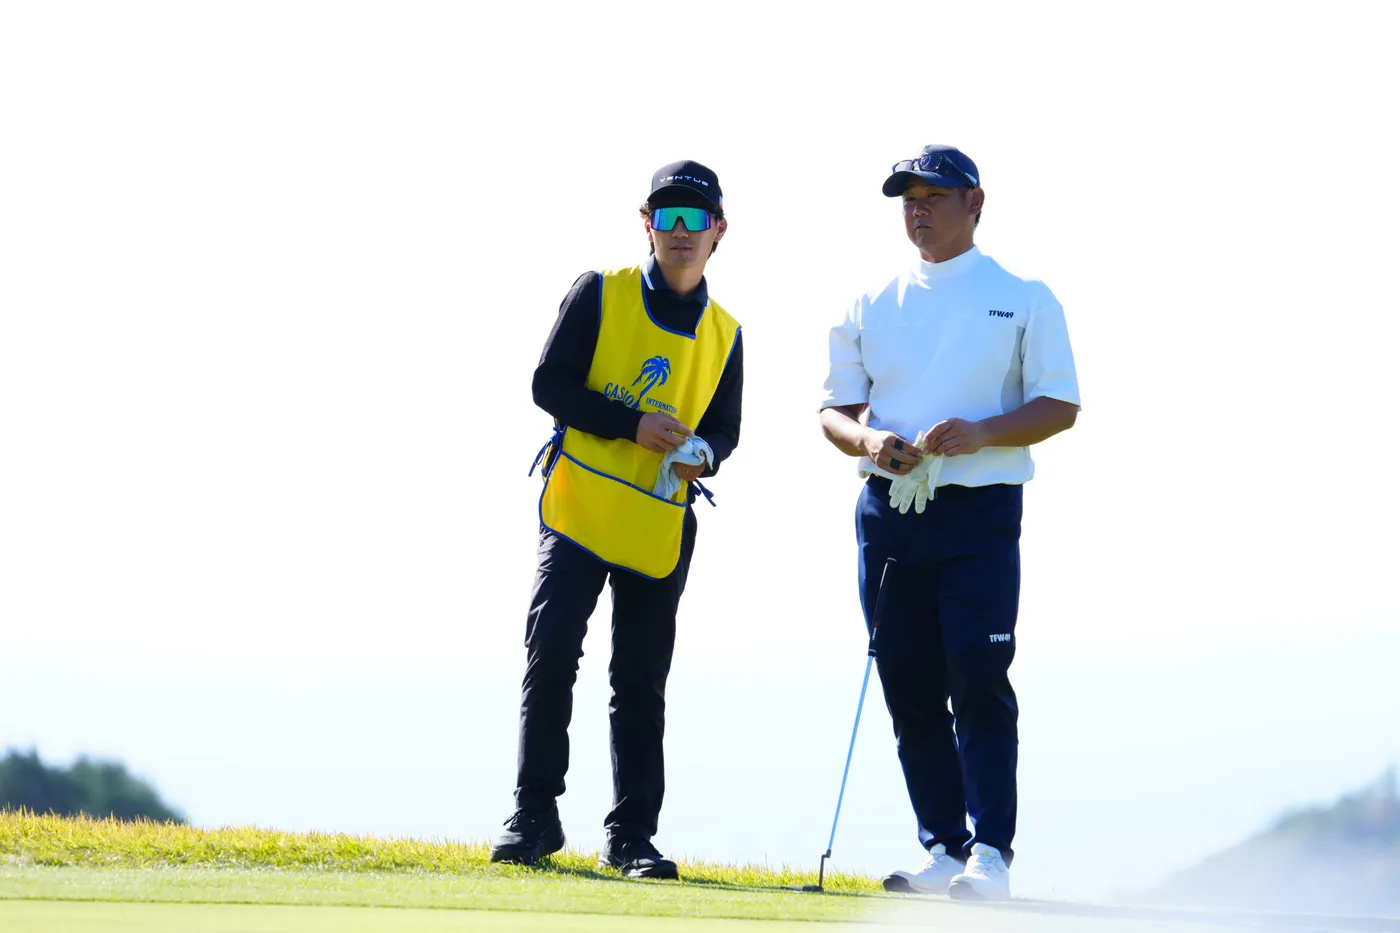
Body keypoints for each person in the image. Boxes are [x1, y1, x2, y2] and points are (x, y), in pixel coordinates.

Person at [817, 145, 1080, 901]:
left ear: (976, 203)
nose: (919, 209)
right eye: (909, 199)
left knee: (977, 673)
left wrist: (982, 432)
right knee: (908, 680)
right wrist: (871, 441)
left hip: (980, 512)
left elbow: (1060, 405)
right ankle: (943, 845)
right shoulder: (870, 300)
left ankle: (990, 853)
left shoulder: (1024, 297)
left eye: (934, 196)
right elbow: (834, 410)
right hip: (888, 512)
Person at [489, 160, 743, 881]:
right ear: (647, 224)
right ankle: (533, 815)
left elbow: (725, 431)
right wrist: (633, 425)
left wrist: (704, 455)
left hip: (657, 522)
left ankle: (631, 836)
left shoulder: (726, 333)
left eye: (695, 218)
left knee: (639, 679)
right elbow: (549, 385)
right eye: (667, 216)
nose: (681, 231)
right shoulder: (599, 291)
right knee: (551, 653)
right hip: (579, 509)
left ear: (719, 231)